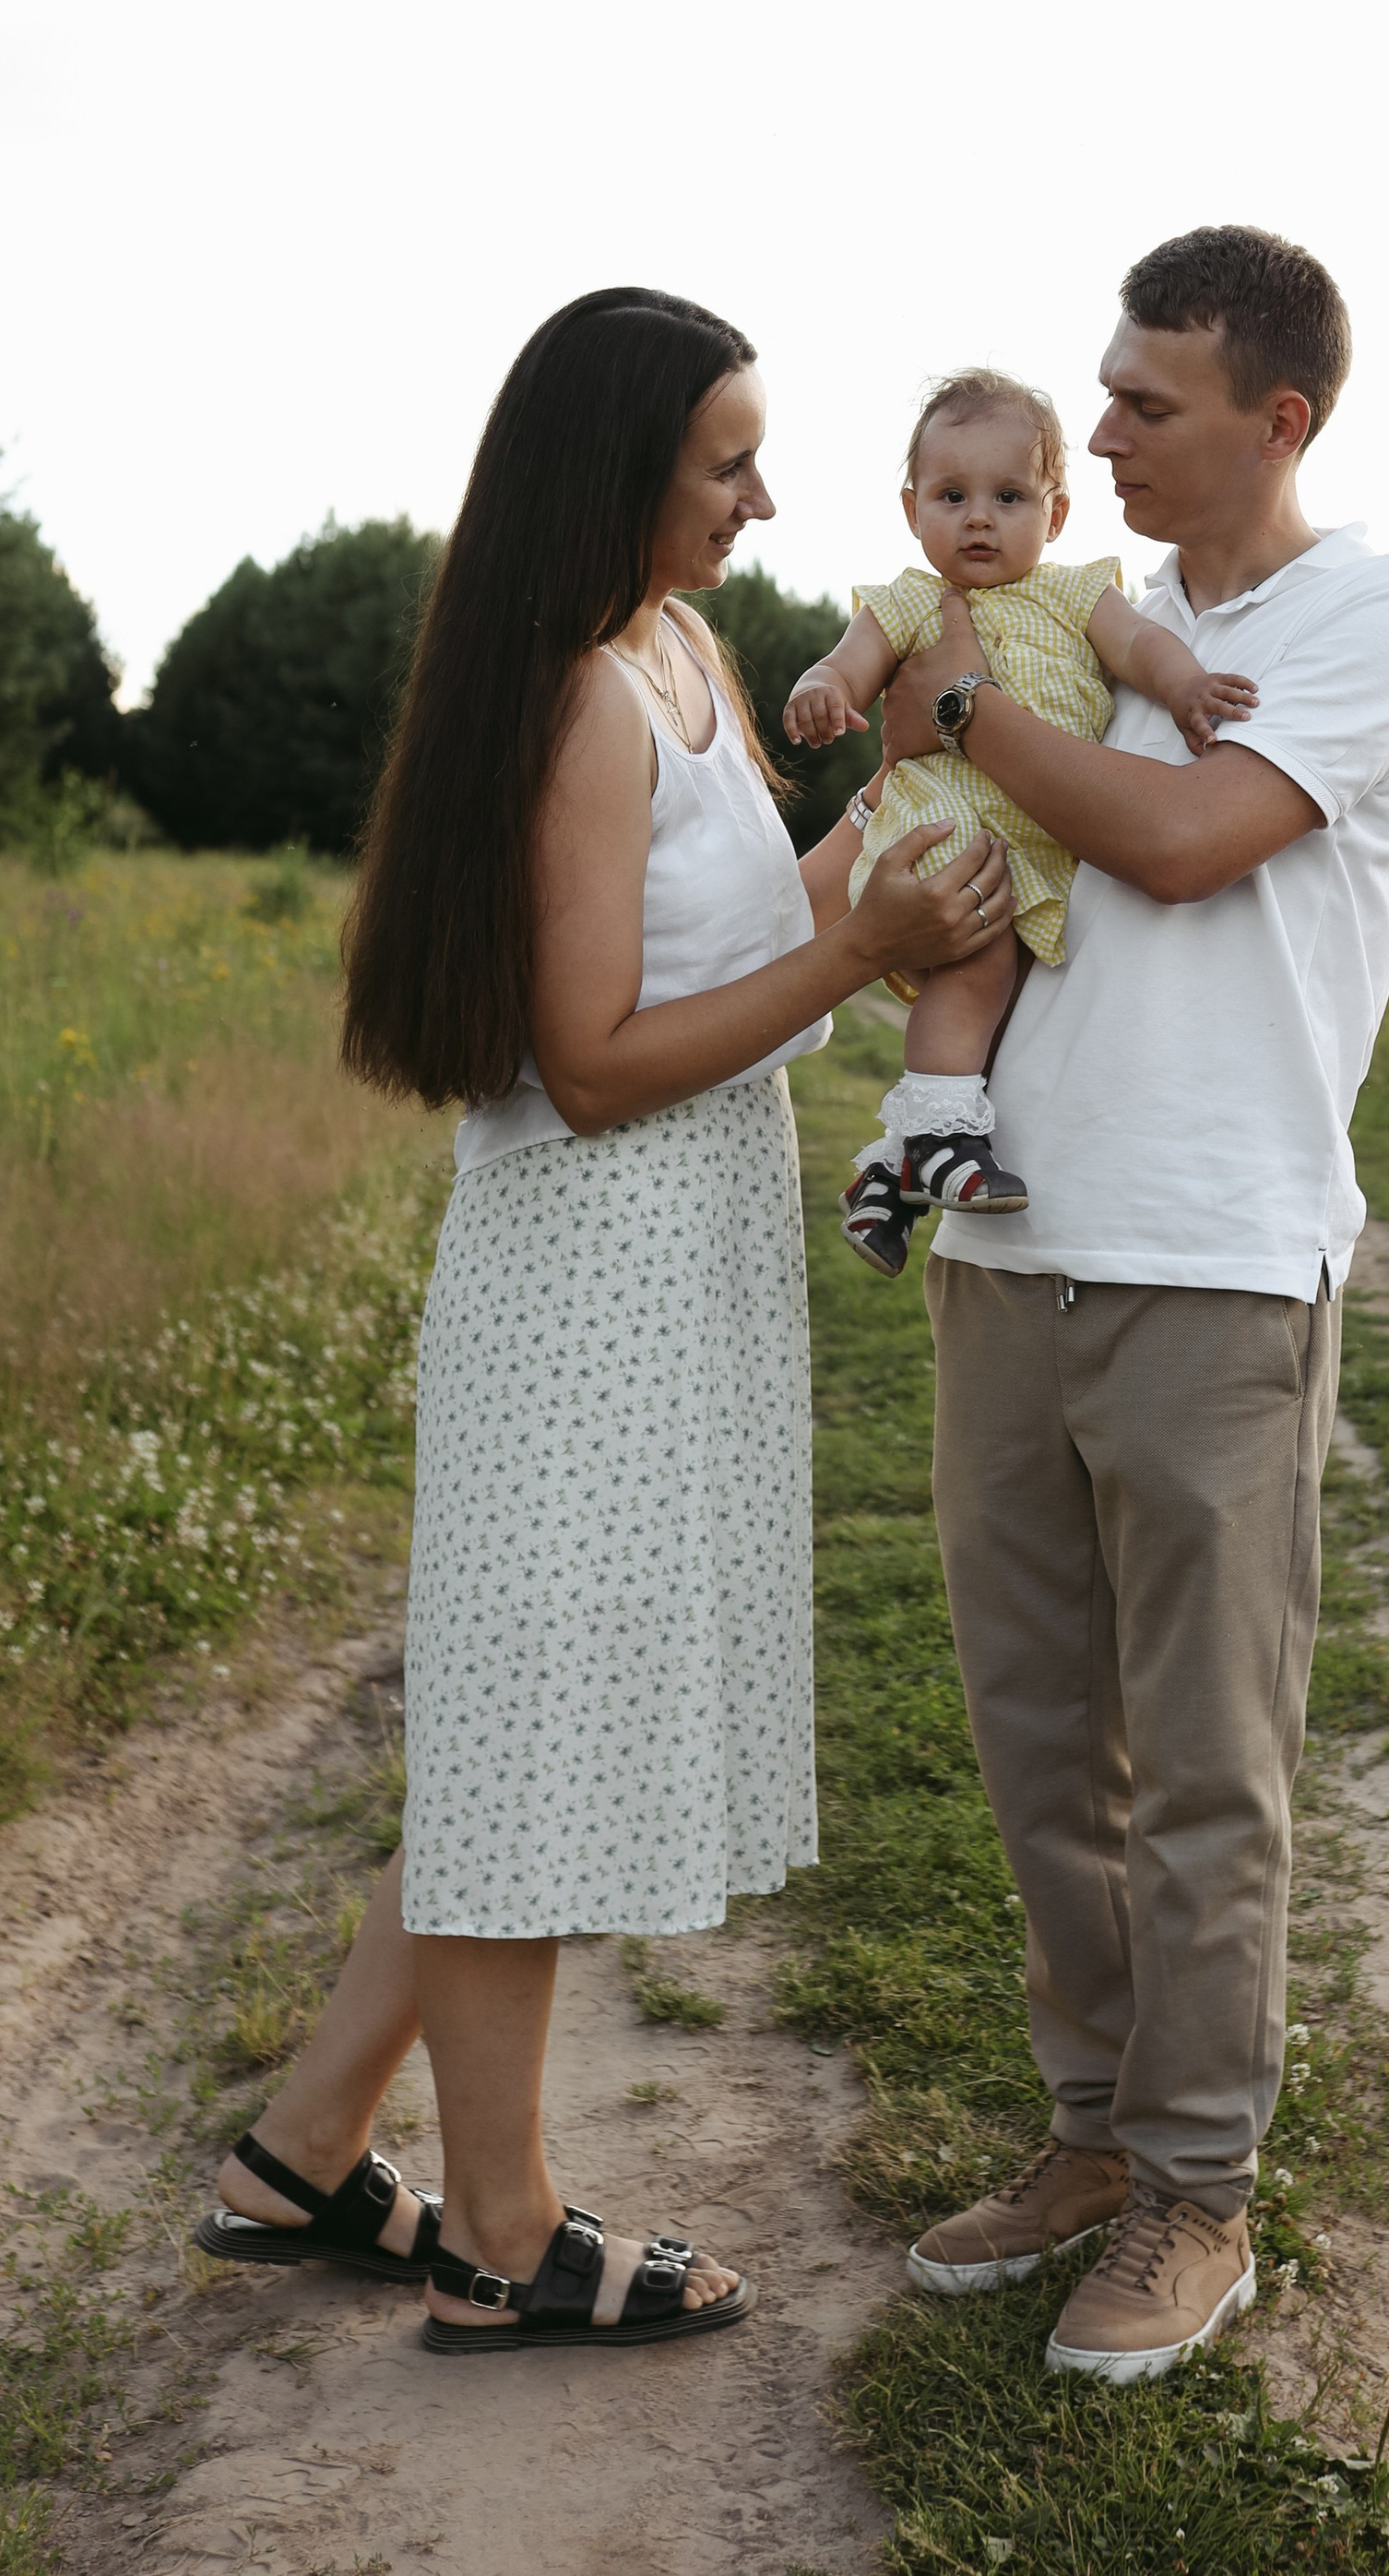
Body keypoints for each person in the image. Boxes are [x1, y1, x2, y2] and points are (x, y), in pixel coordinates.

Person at [193, 285, 1008, 2355]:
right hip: (586, 1274)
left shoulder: (686, 650)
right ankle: (500, 2231)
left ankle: (297, 2158)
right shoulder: (573, 697)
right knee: (526, 1740)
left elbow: (756, 913)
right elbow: (591, 1062)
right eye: (722, 460)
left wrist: (893, 825)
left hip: (685, 1266)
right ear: (616, 473)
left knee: (509, 1731)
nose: (760, 494)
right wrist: (858, 969)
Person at [888, 226, 1389, 2384]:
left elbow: (1180, 836)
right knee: (1044, 1745)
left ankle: (1197, 2190)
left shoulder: (1376, 612)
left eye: (1145, 400)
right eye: (1100, 390)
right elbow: (962, 827)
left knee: (1206, 1768)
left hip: (1218, 1261)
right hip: (1004, 1242)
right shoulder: (1061, 611)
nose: (1097, 426)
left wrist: (964, 704)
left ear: (1275, 417)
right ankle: (1084, 2137)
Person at [784, 366, 1257, 1276]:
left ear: (1057, 514)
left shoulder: (1077, 595)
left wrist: (1186, 686)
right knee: (979, 971)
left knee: (1013, 1020)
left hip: (1032, 842)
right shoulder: (912, 601)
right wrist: (820, 692)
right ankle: (937, 1149)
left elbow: (1145, 646)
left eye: (1008, 496)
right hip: (940, 831)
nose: (976, 518)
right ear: (910, 508)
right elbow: (847, 663)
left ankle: (889, 1174)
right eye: (950, 495)